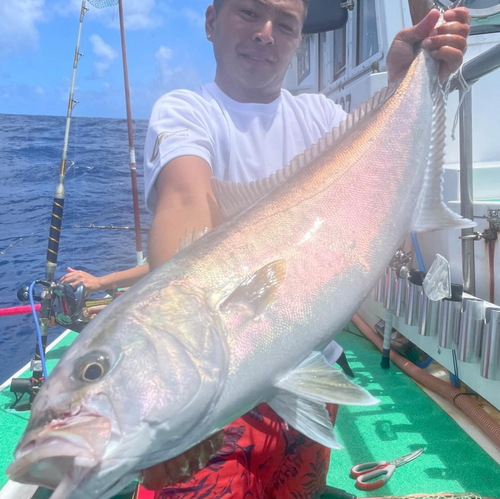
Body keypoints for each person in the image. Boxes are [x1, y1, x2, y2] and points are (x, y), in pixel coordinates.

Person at [81, 0, 473, 497]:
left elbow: (384, 169)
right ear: (210, 21)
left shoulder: (322, 116)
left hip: (308, 371)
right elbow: (185, 204)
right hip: (219, 397)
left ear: (297, 38)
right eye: (249, 13)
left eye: (285, 24)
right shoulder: (188, 111)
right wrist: (177, 406)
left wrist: (408, 78)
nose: (266, 33)